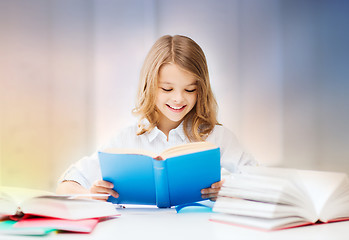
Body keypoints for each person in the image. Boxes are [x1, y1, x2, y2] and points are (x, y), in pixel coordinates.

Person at [56, 35, 257, 202]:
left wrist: (232, 191)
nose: (178, 98)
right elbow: (67, 185)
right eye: (167, 89)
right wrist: (90, 196)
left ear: (201, 90)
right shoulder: (126, 139)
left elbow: (261, 182)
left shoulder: (216, 137)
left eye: (190, 89)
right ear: (150, 87)